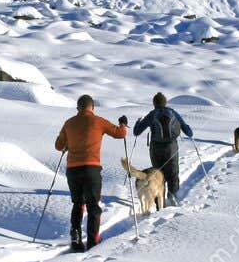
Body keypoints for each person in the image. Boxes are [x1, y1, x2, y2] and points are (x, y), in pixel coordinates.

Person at [55, 94, 127, 251]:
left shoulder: (69, 123)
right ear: (92, 107)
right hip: (91, 168)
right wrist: (123, 124)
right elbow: (120, 134)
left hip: (72, 169)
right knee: (93, 206)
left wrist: (68, 143)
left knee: (78, 203)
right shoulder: (98, 121)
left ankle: (76, 239)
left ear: (78, 108)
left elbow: (58, 146)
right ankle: (93, 241)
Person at [133, 92, 194, 207]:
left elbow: (136, 132)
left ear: (154, 104)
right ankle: (173, 196)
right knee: (173, 173)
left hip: (156, 148)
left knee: (158, 174)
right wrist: (188, 128)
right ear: (165, 102)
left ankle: (159, 204)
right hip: (171, 147)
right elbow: (189, 133)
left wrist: (138, 122)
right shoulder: (173, 112)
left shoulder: (152, 114)